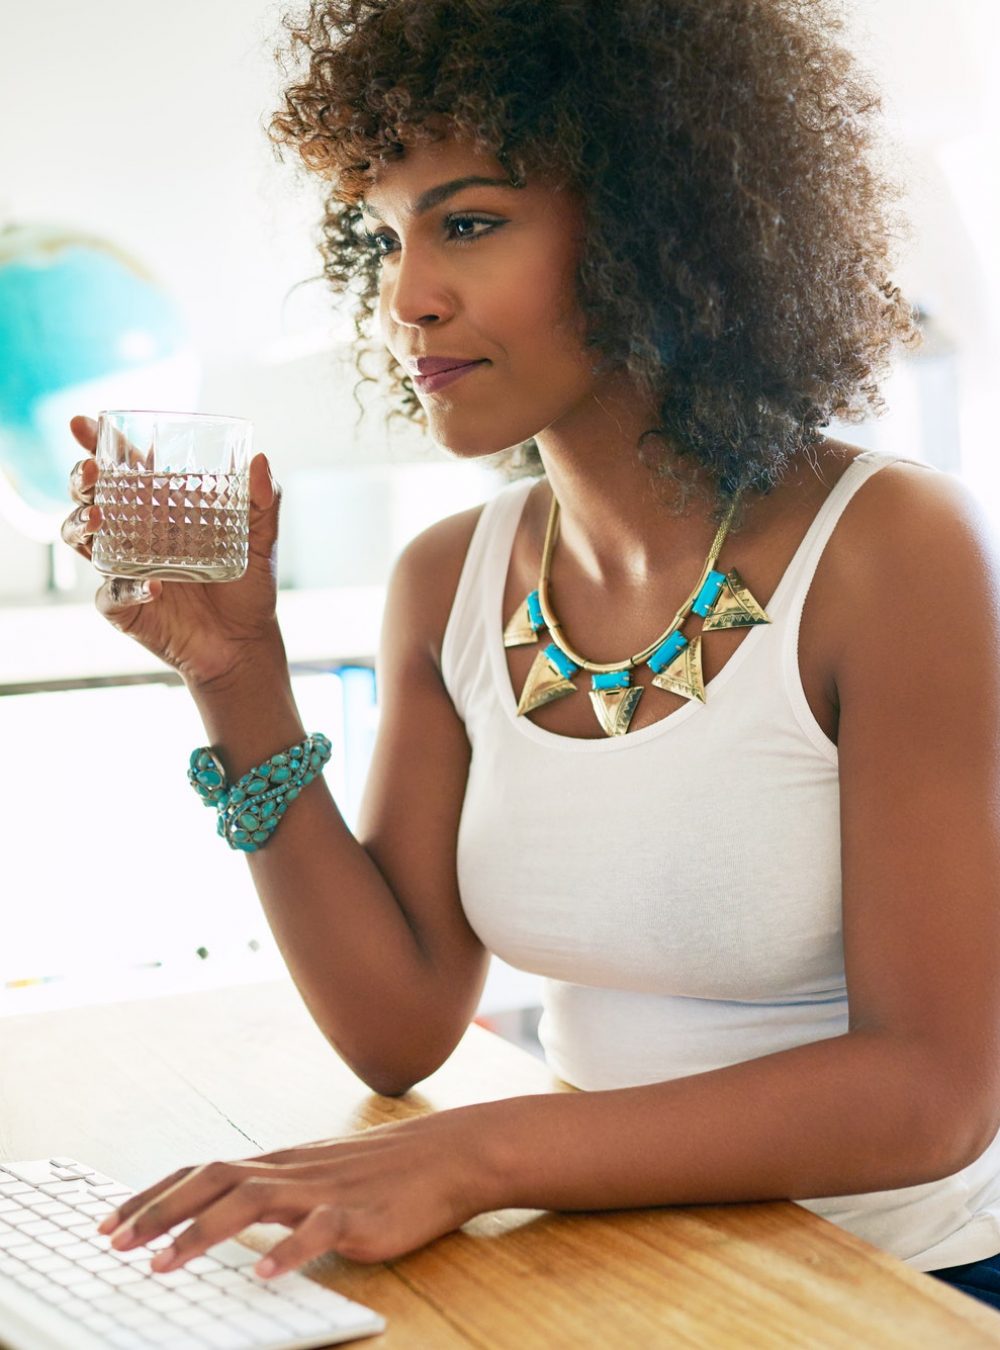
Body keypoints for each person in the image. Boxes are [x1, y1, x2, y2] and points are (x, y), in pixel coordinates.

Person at [61, 0, 1000, 1311]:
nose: (405, 295)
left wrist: (477, 1154)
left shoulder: (893, 549)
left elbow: (933, 1092)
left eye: (469, 222)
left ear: (658, 226)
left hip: (890, 1286)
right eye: (385, 235)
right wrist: (236, 675)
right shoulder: (449, 577)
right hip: (615, 1264)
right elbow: (401, 1022)